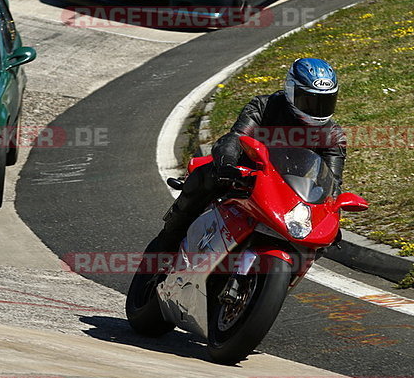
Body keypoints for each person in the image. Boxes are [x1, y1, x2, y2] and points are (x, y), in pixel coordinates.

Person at [147, 57, 347, 253]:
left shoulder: (333, 135)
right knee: (205, 177)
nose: (317, 109)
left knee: (315, 245)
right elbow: (236, 137)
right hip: (243, 175)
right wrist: (227, 164)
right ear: (290, 90)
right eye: (309, 100)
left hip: (289, 192)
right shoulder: (264, 106)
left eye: (325, 101)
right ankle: (168, 240)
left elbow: (333, 181)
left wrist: (331, 216)